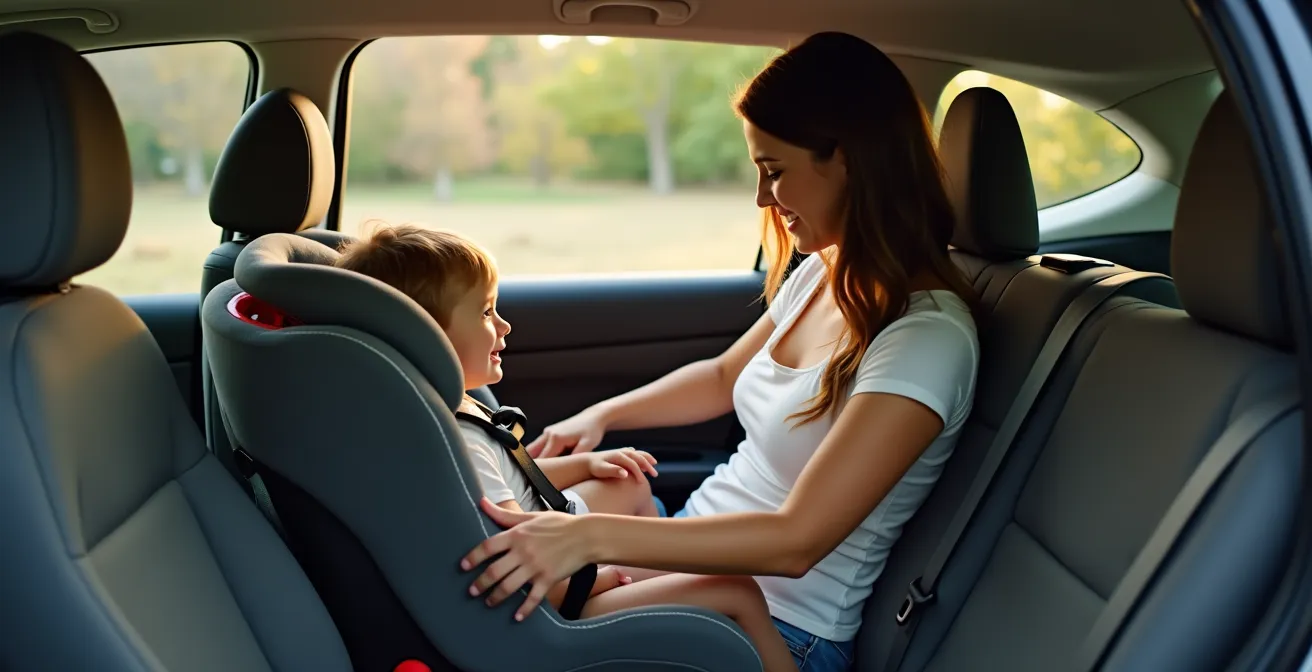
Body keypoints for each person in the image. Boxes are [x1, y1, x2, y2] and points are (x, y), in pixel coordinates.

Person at [459, 31, 982, 672]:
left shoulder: (925, 339)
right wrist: (600, 416)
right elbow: (721, 376)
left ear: (846, 159)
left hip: (780, 625)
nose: (763, 199)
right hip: (701, 549)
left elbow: (795, 541)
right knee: (558, 514)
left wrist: (589, 536)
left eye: (775, 172)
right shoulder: (825, 272)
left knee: (514, 610)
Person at [334, 223, 800, 672]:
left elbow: (509, 483)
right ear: (426, 335)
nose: (505, 325)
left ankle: (663, 614)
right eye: (485, 313)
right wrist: (601, 575)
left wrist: (584, 464)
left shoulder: (442, 409)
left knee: (623, 481)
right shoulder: (462, 439)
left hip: (562, 559)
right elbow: (519, 565)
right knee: (735, 588)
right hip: (552, 609)